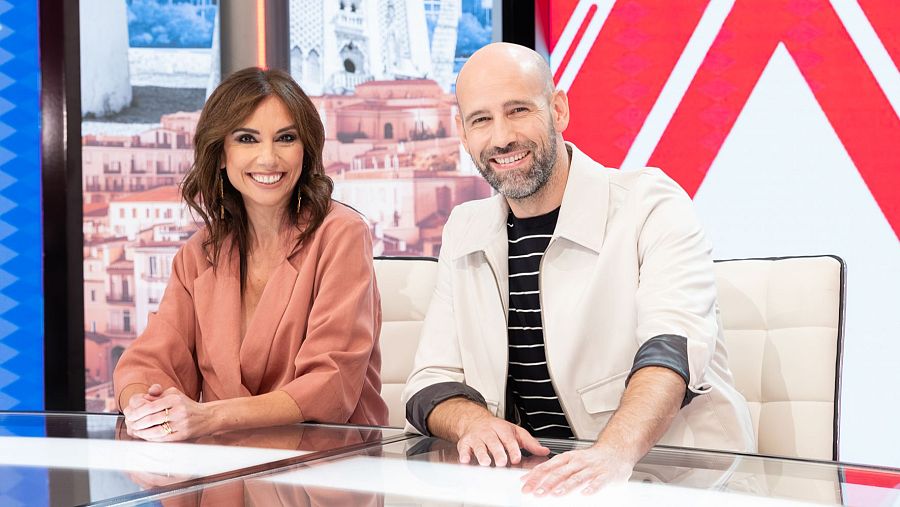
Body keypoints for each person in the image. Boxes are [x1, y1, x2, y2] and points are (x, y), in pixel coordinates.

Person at [401, 43, 755, 496]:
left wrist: (613, 452)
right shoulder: (464, 229)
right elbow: (429, 380)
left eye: (518, 110)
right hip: (534, 487)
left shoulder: (652, 204)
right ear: (463, 133)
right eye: (481, 120)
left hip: (676, 484)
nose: (502, 137)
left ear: (559, 109)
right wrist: (474, 422)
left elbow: (670, 353)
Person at [114, 67, 388, 441]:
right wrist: (144, 407)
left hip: (327, 470)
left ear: (305, 151)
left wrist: (211, 417)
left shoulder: (341, 234)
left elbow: (330, 385)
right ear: (221, 154)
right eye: (247, 139)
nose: (268, 158)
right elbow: (148, 363)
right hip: (225, 474)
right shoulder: (198, 254)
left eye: (285, 138)